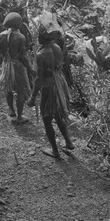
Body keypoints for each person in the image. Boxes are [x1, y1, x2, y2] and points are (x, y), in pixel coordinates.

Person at [27, 16, 74, 158]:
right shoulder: (57, 48)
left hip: (49, 87)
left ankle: (55, 150)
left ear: (42, 36)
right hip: (60, 83)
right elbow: (60, 66)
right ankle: (68, 142)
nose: (37, 38)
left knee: (47, 118)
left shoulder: (41, 55)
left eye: (38, 35)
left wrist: (32, 97)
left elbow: (39, 79)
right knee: (59, 114)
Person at [0, 12, 36, 124]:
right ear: (18, 24)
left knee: (8, 88)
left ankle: (11, 110)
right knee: (20, 91)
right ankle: (19, 117)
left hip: (5, 66)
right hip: (17, 67)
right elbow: (22, 56)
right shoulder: (20, 37)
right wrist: (30, 69)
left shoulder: (0, 36)